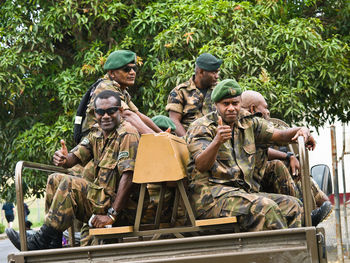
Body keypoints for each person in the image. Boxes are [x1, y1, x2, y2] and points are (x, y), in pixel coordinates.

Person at [6, 90, 144, 250]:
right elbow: (75, 157)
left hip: (123, 209)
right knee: (55, 179)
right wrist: (64, 159)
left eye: (110, 111)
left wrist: (111, 215)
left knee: (69, 184)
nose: (105, 116)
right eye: (100, 112)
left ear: (120, 111)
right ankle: (52, 242)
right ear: (95, 113)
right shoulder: (97, 133)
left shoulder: (128, 134)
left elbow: (129, 177)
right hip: (101, 202)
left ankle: (40, 241)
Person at [185, 79, 317, 232]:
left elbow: (280, 135)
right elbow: (201, 165)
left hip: (240, 195)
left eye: (235, 103)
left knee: (293, 206)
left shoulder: (247, 122)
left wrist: (301, 131)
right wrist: (217, 142)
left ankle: (300, 253)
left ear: (240, 103)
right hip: (211, 200)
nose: (231, 108)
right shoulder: (202, 128)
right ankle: (282, 254)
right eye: (225, 104)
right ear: (216, 105)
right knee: (265, 208)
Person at [241, 90, 332, 226]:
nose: (268, 112)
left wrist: (288, 156)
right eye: (265, 108)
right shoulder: (247, 124)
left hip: (254, 178)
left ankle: (309, 211)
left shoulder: (250, 124)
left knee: (278, 165)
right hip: (245, 186)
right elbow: (282, 135)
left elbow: (264, 149)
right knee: (278, 168)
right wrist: (300, 131)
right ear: (253, 109)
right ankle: (306, 213)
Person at [83, 49, 162, 135]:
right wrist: (156, 137)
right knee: (128, 129)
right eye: (126, 69)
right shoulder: (106, 87)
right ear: (112, 73)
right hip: (94, 138)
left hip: (106, 135)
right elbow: (127, 115)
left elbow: (137, 114)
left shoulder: (121, 89)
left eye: (134, 68)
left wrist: (162, 134)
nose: (132, 72)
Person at [166, 53, 221, 136]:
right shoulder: (180, 92)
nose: (217, 76)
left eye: (217, 72)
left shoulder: (219, 90)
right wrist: (188, 141)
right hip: (189, 138)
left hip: (215, 139)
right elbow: (174, 121)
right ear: (201, 72)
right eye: (214, 72)